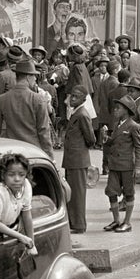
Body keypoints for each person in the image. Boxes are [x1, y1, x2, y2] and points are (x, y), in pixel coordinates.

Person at [0, 58, 55, 155]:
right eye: (34, 76)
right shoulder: (38, 99)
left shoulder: (2, 99)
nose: (35, 79)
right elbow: (44, 131)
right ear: (28, 77)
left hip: (11, 151)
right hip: (32, 151)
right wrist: (50, 155)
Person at [100, 96, 140, 233]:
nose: (115, 110)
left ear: (127, 110)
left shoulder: (134, 126)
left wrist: (138, 167)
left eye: (118, 108)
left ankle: (127, 222)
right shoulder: (117, 124)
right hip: (114, 165)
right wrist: (105, 137)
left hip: (127, 166)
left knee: (129, 193)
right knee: (111, 192)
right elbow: (113, 142)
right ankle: (116, 220)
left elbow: (139, 148)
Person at [0, 151, 37, 257]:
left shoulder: (26, 185)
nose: (17, 179)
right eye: (11, 175)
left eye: (21, 175)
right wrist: (21, 237)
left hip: (8, 229)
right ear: (3, 175)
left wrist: (31, 244)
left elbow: (26, 215)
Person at [56, 88, 95, 233]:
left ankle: (79, 225)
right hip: (73, 159)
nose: (72, 99)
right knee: (72, 193)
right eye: (72, 96)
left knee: (77, 194)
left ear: (83, 100)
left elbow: (91, 138)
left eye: (76, 97)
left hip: (78, 159)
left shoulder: (82, 115)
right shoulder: (76, 113)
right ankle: (74, 223)